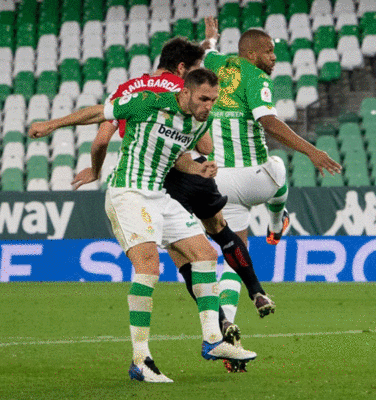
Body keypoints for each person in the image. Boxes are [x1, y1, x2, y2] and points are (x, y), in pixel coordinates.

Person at [28, 68, 257, 383]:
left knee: (205, 254)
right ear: (185, 92)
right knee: (148, 266)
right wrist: (51, 124)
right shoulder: (148, 102)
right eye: (204, 99)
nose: (208, 106)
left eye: (213, 100)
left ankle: (213, 340)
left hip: (158, 196)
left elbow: (177, 157)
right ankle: (141, 360)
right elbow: (97, 113)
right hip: (128, 193)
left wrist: (199, 169)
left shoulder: (200, 121)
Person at [171, 28, 341, 331]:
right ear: (251, 54)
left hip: (219, 182)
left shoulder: (217, 64)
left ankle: (226, 324)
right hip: (253, 178)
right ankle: (276, 224)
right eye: (269, 51)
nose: (274, 58)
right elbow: (269, 122)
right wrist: (312, 151)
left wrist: (211, 37)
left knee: (236, 253)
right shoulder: (258, 78)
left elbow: (206, 51)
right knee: (278, 166)